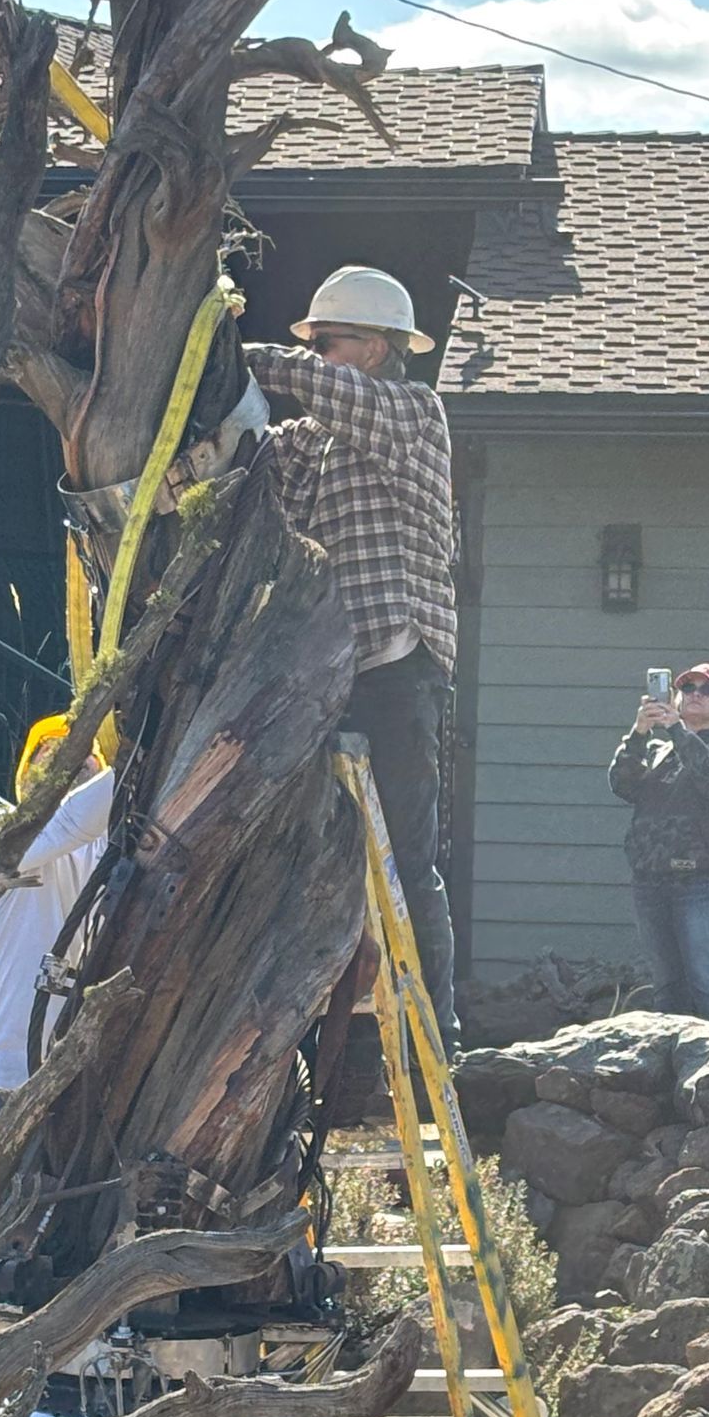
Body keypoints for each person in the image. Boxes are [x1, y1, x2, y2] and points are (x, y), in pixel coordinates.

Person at [245, 266, 462, 1048]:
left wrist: (237, 352)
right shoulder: (319, 440)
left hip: (399, 665)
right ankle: (338, 1034)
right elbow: (254, 462)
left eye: (329, 341)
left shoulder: (413, 411)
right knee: (320, 857)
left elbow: (320, 387)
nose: (320, 355)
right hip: (334, 669)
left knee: (405, 857)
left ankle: (436, 1030)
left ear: (374, 348)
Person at [0, 717, 113, 1133]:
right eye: (55, 758)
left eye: (84, 762)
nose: (71, 771)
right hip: (10, 1082)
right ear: (26, 773)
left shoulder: (101, 849)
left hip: (82, 1077)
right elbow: (77, 818)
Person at [609, 662, 709, 1030]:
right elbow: (622, 785)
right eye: (687, 688)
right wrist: (639, 734)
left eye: (706, 690)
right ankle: (671, 1062)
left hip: (704, 883)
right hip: (651, 880)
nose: (694, 694)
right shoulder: (662, 748)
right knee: (667, 988)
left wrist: (678, 731)